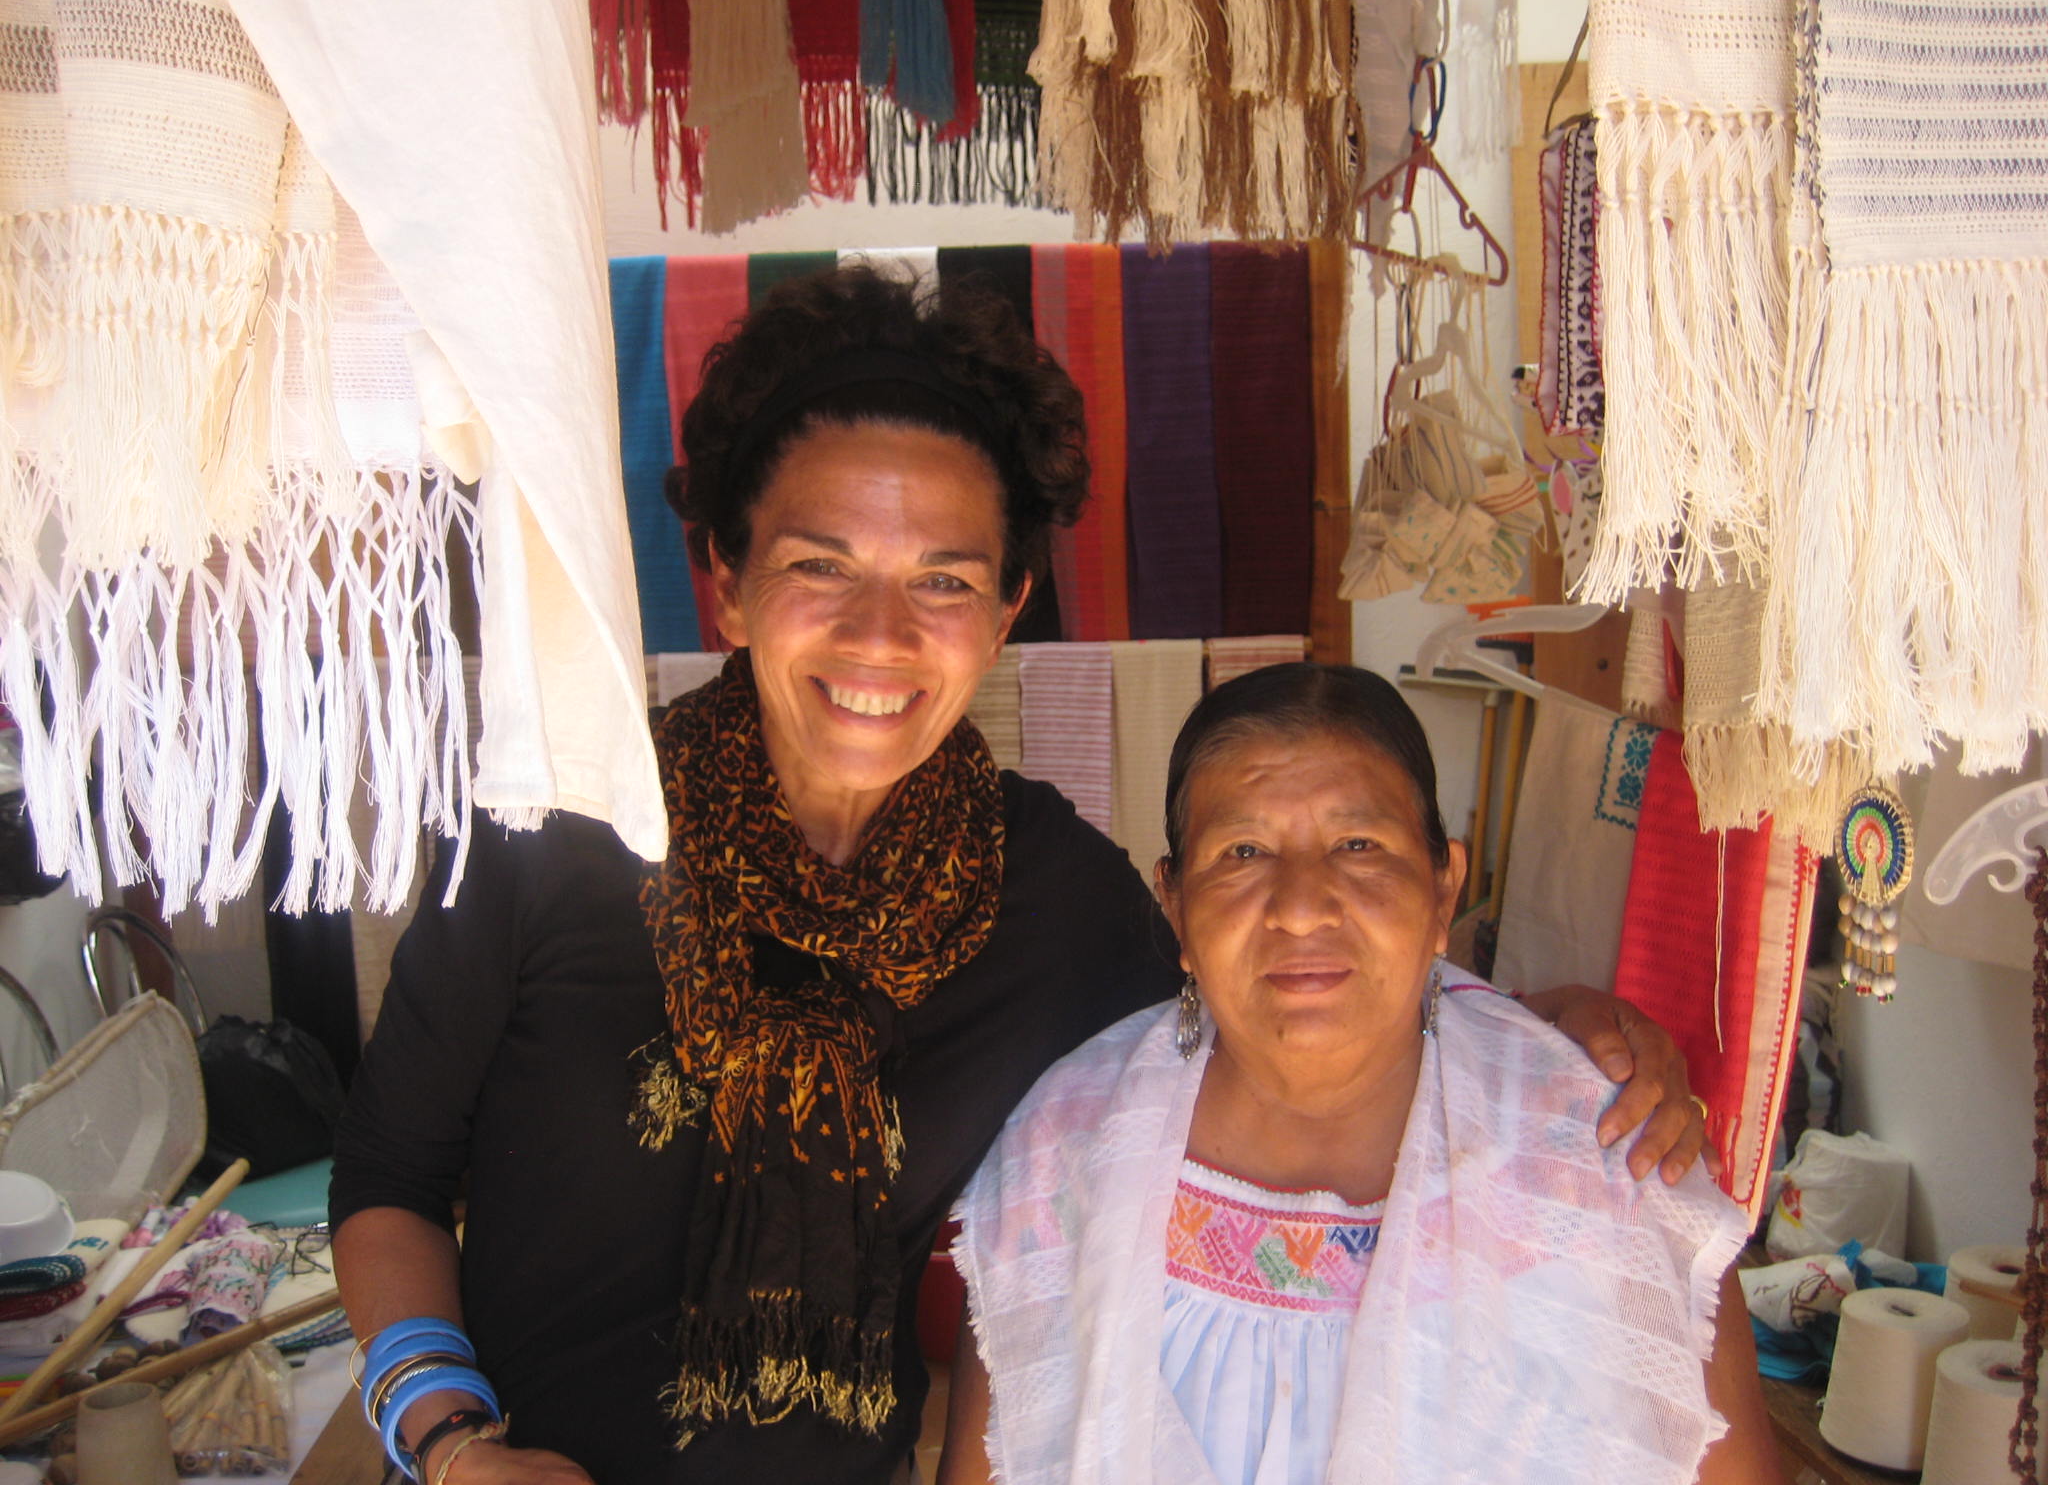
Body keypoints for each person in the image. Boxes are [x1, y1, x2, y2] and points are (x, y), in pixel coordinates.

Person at [330, 266, 1712, 1485]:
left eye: (943, 581)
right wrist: (450, 1442)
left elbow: (1287, 976)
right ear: (728, 582)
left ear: (1004, 614)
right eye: (821, 565)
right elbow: (389, 1174)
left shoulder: (1051, 897)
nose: (881, 635)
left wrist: (1545, 1033)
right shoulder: (557, 828)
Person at [942, 661, 1782, 1485]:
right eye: (1243, 851)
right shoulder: (1063, 1151)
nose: (1301, 906)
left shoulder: (1598, 1152)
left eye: (1358, 845)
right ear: (1176, 906)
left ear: (1443, 890)